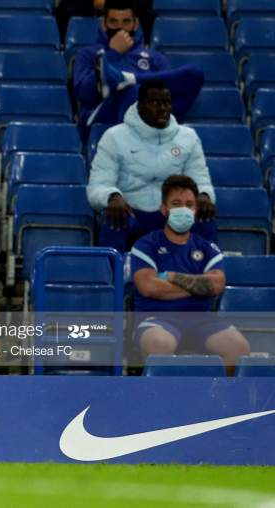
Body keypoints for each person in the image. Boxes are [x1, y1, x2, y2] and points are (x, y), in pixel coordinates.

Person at [131, 175, 250, 373]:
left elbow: (216, 285)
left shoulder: (207, 248)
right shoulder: (146, 244)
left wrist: (168, 276)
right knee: (160, 343)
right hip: (156, 319)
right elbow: (148, 287)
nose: (183, 209)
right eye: (176, 204)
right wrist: (198, 287)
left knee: (238, 347)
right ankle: (161, 402)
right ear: (164, 209)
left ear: (195, 210)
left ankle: (222, 400)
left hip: (202, 319)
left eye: (189, 204)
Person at [87, 79, 216, 253]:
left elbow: (200, 178)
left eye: (166, 103)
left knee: (204, 215)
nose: (162, 108)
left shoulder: (188, 137)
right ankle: (110, 277)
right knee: (113, 218)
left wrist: (204, 195)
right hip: (131, 213)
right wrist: (112, 197)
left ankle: (209, 276)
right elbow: (98, 185)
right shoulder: (114, 137)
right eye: (155, 102)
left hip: (173, 212)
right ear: (140, 105)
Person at [73, 0, 202, 136]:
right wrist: (112, 53)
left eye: (126, 22)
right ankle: (129, 82)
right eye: (113, 22)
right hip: (105, 118)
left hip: (151, 115)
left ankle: (129, 79)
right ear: (104, 25)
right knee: (133, 90)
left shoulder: (155, 58)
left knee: (195, 73)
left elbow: (166, 94)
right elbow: (84, 95)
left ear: (136, 24)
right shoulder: (88, 54)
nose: (120, 28)